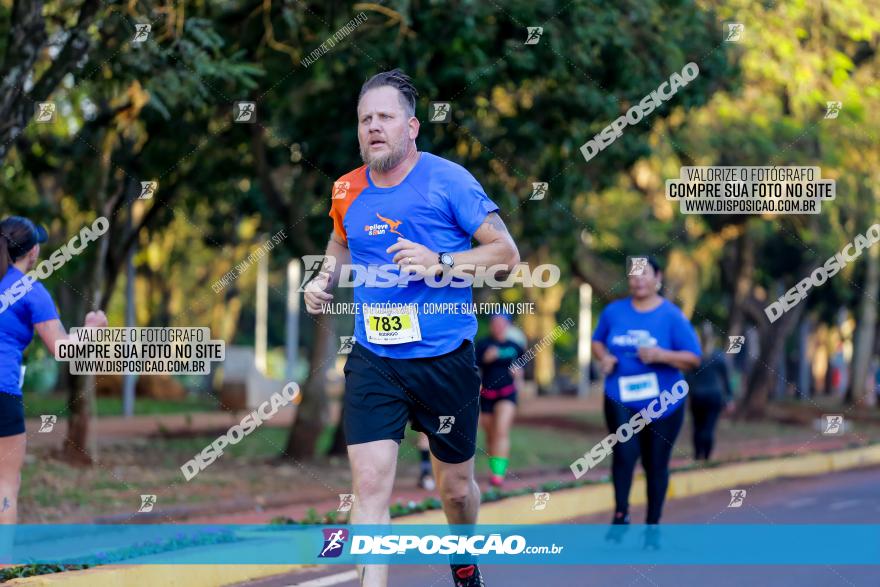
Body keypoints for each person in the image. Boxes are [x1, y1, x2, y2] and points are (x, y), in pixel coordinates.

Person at [304, 69, 519, 587]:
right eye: (365, 119)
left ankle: (463, 559)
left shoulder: (450, 181)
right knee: (370, 486)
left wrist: (440, 260)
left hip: (445, 358)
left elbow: (507, 256)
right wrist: (323, 277)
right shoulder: (346, 188)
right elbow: (339, 241)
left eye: (385, 117)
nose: (373, 127)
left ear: (412, 126)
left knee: (456, 490)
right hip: (376, 357)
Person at [0, 216, 108, 526]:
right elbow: (63, 348)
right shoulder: (31, 291)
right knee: (6, 484)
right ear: (33, 252)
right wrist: (92, 329)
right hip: (2, 393)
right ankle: (4, 564)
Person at [591, 256, 700, 526]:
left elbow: (694, 358)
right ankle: (621, 514)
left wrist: (661, 355)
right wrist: (604, 358)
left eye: (644, 274)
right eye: (633, 276)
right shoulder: (614, 312)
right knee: (625, 454)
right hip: (621, 396)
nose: (638, 280)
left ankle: (653, 524)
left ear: (658, 278)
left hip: (664, 402)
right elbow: (597, 342)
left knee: (655, 464)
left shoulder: (672, 316)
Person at [475, 314, 524, 488]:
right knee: (490, 435)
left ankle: (498, 475)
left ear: (508, 325)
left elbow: (521, 368)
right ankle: (494, 468)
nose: (498, 326)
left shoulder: (515, 346)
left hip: (507, 393)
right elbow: (474, 369)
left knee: (501, 431)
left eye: (502, 323)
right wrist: (486, 360)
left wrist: (519, 376)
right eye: (495, 323)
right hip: (487, 395)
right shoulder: (482, 345)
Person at [685, 327, 733, 460]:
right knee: (709, 427)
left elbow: (688, 379)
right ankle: (706, 456)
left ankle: (697, 455)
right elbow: (726, 379)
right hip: (714, 397)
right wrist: (729, 398)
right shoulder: (719, 356)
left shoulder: (695, 357)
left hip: (697, 397)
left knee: (697, 427)